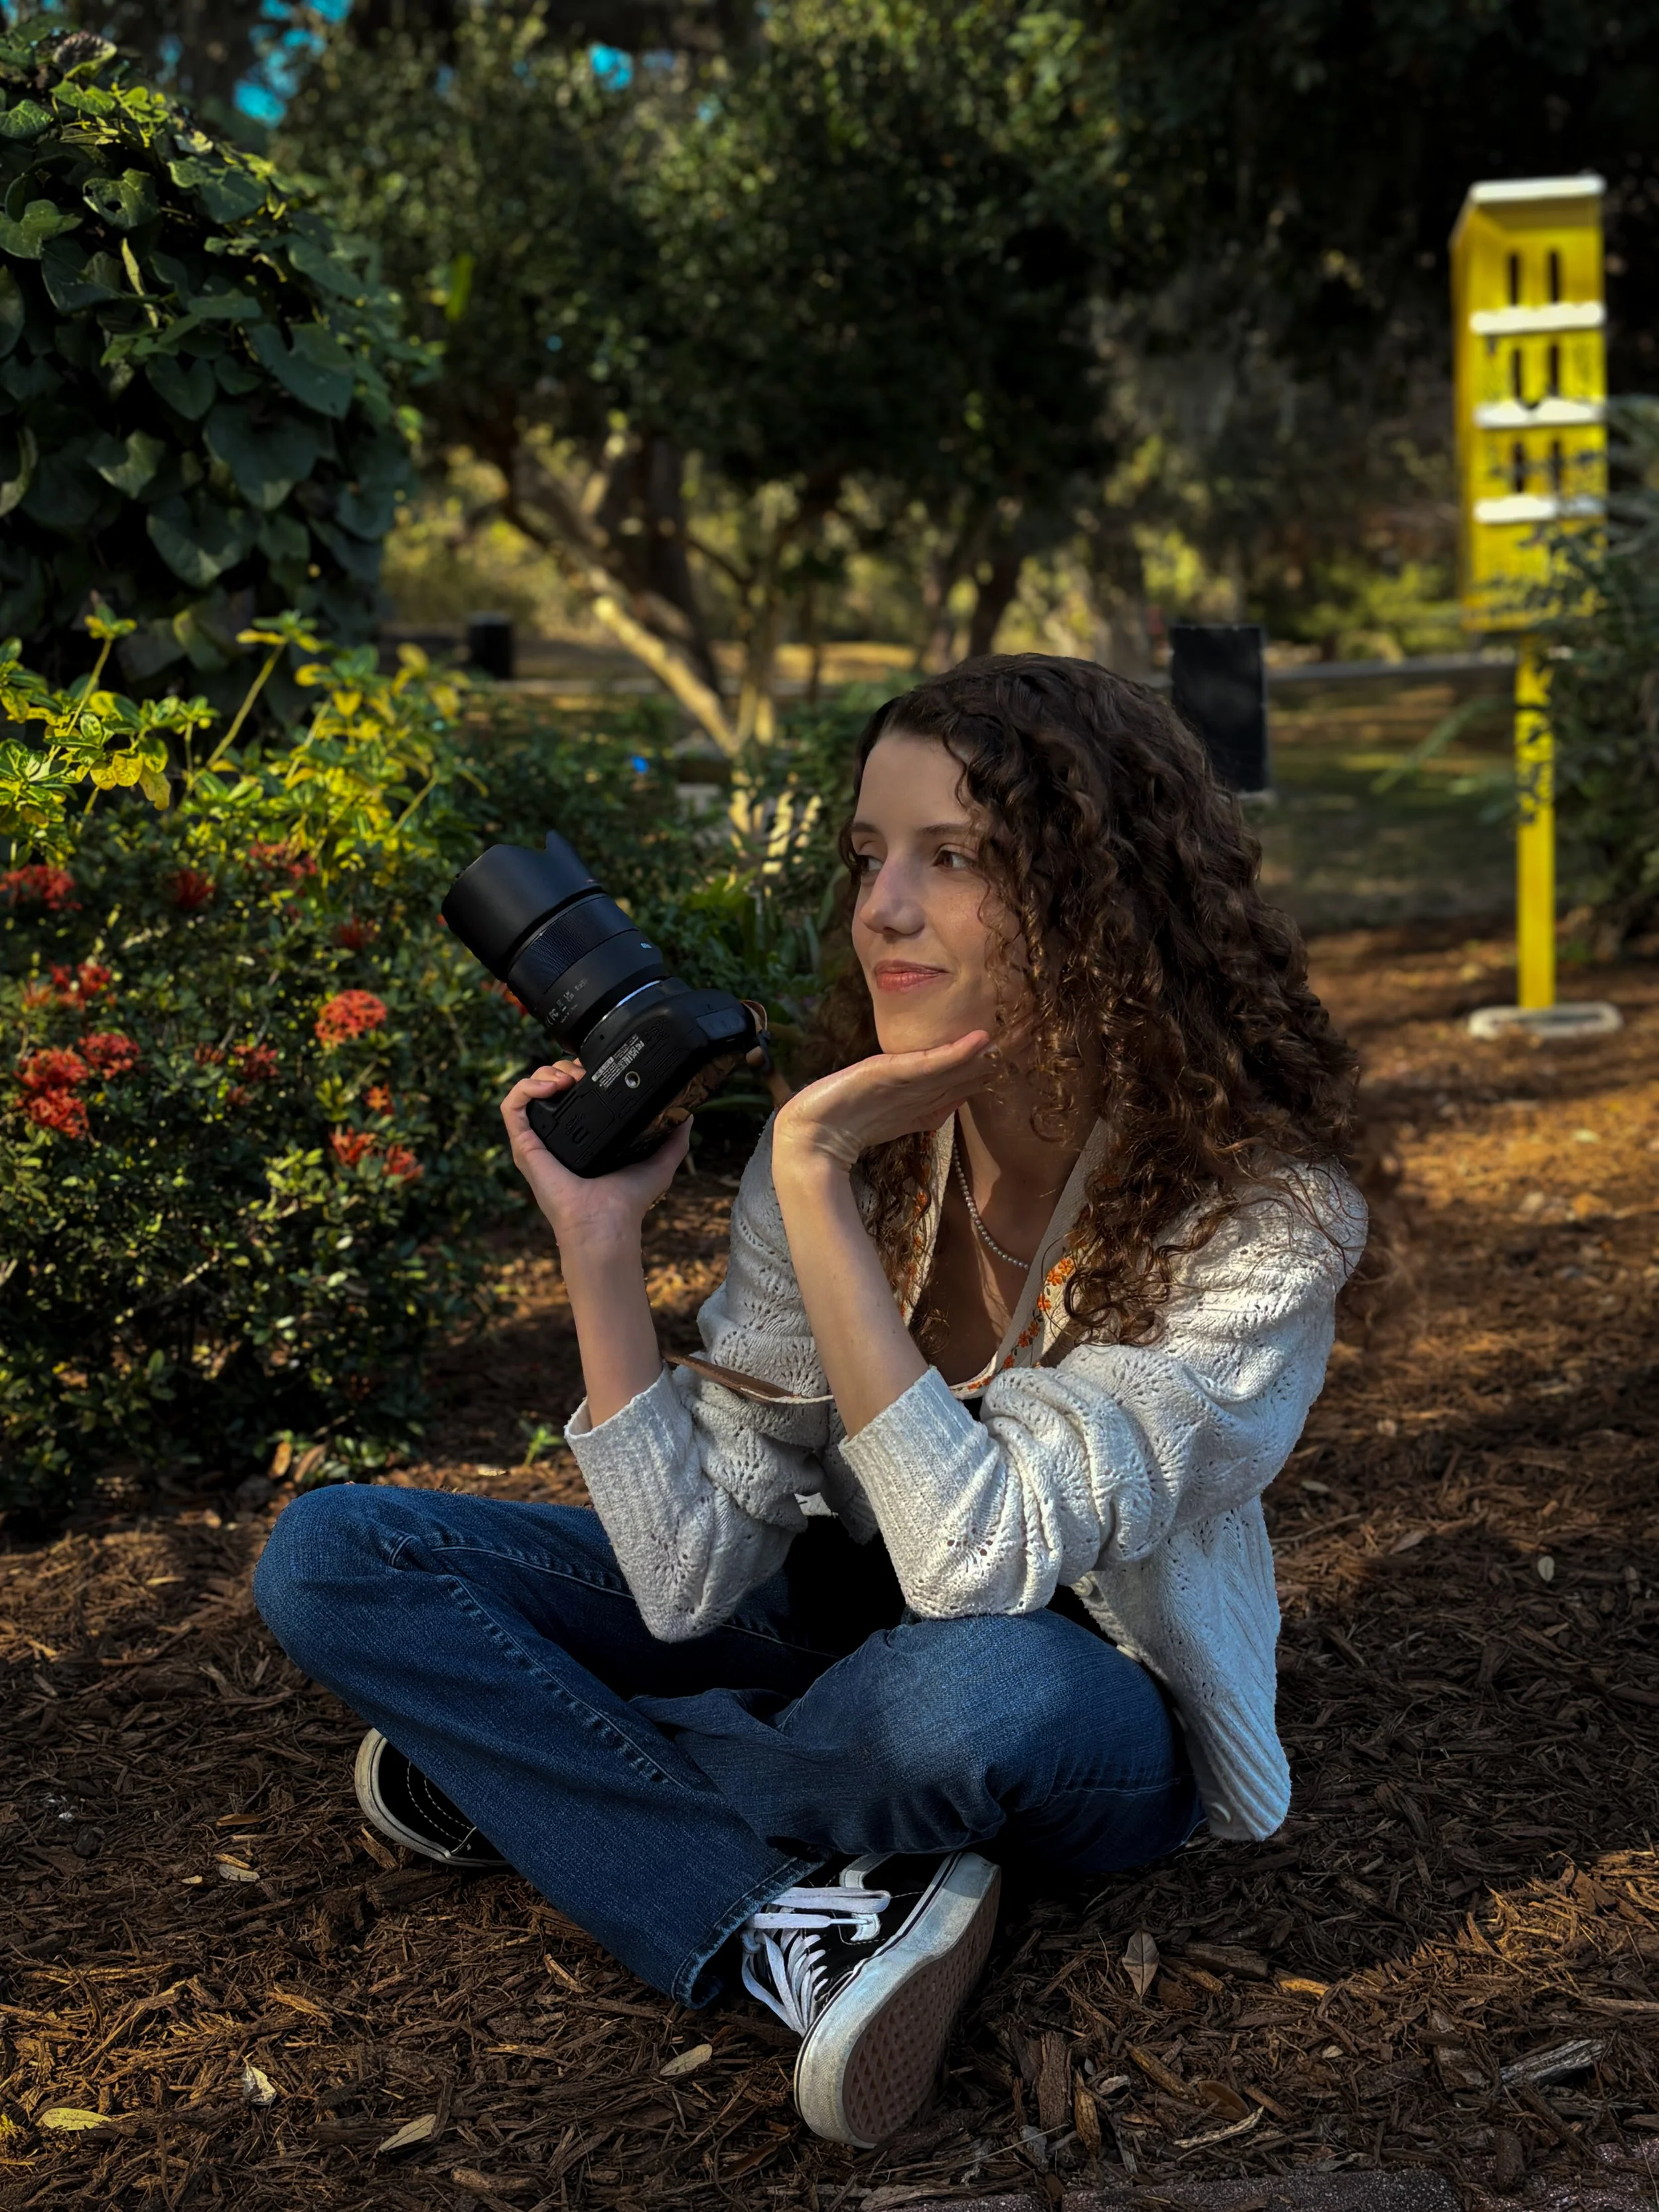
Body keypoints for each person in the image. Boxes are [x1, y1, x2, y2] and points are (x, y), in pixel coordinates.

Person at [254, 653, 1366, 2150]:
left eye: (952, 858)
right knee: (336, 1556)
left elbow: (978, 1568)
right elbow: (687, 1580)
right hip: (831, 1618)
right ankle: (803, 1902)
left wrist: (807, 1176)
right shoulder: (853, 1148)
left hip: (1084, 1696)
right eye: (867, 856)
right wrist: (602, 1249)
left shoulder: (1263, 1222)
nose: (882, 907)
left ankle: (540, 1767)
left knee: (963, 1698)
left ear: (1108, 901)